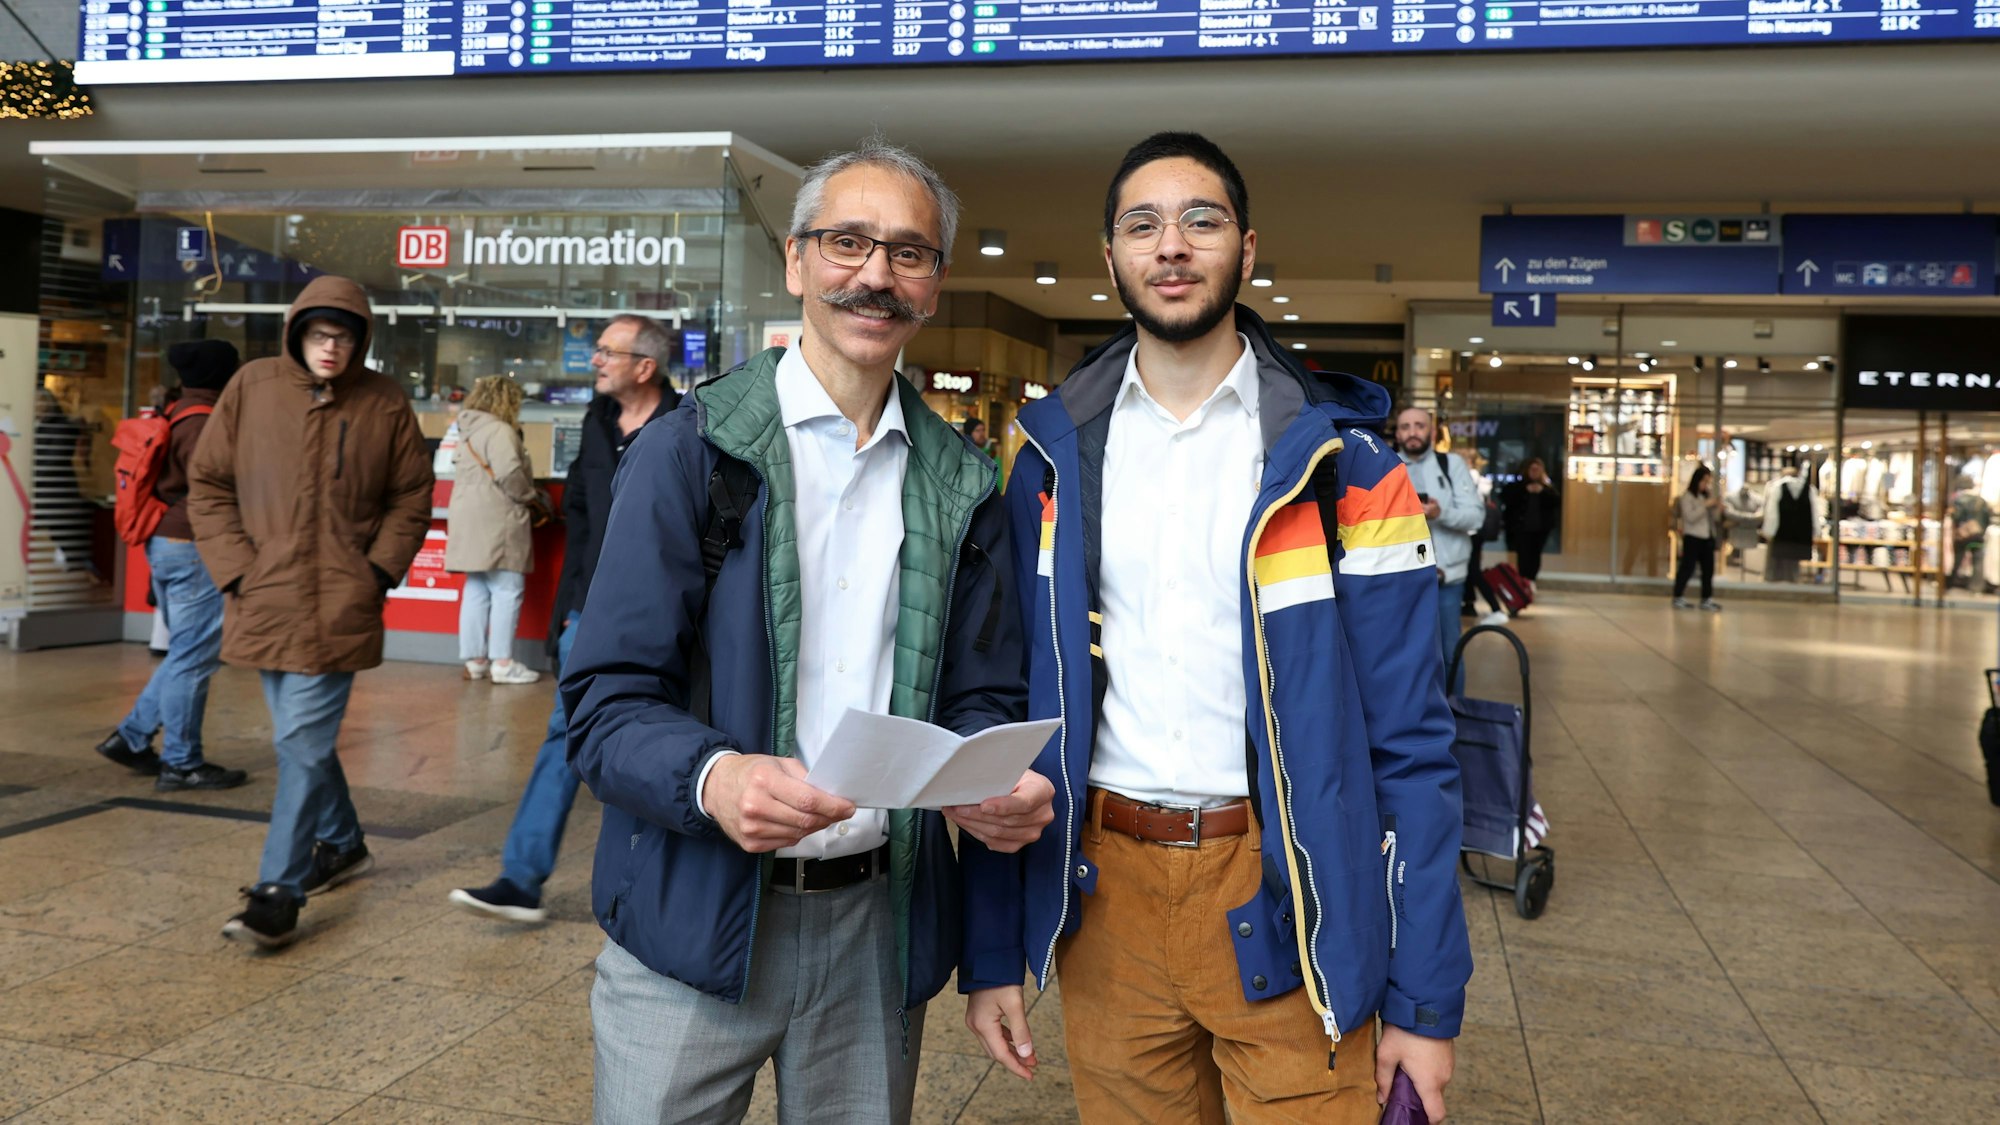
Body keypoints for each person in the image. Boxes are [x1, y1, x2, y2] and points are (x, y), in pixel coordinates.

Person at [960, 132, 1470, 1125]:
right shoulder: (1050, 462)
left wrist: (1424, 1002)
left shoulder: (1344, 469)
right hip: (1103, 894)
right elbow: (1009, 713)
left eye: (1201, 220)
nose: (1171, 246)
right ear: (1109, 258)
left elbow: (1413, 747)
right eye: (1140, 224)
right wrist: (993, 951)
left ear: (1245, 247)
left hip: (1288, 890)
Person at [562, 140, 1050, 1123]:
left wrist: (982, 782)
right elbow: (603, 704)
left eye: (907, 252)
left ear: (934, 283)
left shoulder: (962, 484)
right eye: (846, 242)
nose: (874, 274)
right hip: (690, 918)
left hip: (879, 929)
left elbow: (981, 695)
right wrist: (715, 777)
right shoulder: (688, 454)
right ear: (795, 263)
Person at [188, 276, 434, 949]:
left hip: (338, 601)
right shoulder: (252, 387)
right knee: (302, 742)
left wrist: (376, 569)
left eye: (347, 336)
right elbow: (207, 483)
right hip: (264, 594)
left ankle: (279, 890)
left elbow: (413, 493)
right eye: (322, 334)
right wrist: (236, 567)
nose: (334, 347)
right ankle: (345, 841)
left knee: (299, 741)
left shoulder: (383, 400)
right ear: (297, 331)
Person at [448, 313, 679, 923]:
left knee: (649, 751)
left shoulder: (687, 427)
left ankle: (647, 893)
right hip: (590, 613)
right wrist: (565, 615)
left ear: (645, 367)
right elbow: (579, 519)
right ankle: (521, 878)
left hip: (664, 621)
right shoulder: (596, 423)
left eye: (607, 352)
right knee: (565, 736)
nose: (595, 360)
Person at [93, 340, 249, 790]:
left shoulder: (180, 411)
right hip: (192, 545)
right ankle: (182, 762)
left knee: (186, 651)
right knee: (195, 657)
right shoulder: (203, 422)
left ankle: (133, 737)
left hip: (171, 541)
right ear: (224, 374)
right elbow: (212, 494)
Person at [446, 375, 541, 685]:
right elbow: (510, 472)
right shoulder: (499, 430)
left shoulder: (467, 430)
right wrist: (530, 497)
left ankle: (475, 661)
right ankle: (503, 663)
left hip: (468, 520)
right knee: (507, 589)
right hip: (498, 520)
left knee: (476, 590)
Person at [1395, 406, 1484, 693]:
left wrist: (1439, 513)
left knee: (1448, 653)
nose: (1412, 432)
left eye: (1419, 425)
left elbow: (1476, 517)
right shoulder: (1387, 468)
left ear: (1431, 432)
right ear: (1397, 433)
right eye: (1405, 426)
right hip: (1400, 579)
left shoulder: (1453, 465)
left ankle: (1455, 719)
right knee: (1403, 656)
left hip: (1446, 578)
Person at [1458, 448, 1508, 627]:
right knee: (1471, 570)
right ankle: (1469, 604)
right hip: (1475, 531)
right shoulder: (1481, 479)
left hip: (1470, 531)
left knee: (1473, 571)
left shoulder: (1468, 477)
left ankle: (1496, 609)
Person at [1499, 456, 1559, 587]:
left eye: (1537, 470)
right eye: (1532, 469)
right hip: (1522, 527)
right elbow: (1506, 497)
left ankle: (1531, 579)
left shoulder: (1547, 489)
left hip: (1540, 528)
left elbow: (1555, 502)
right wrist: (1524, 490)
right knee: (1523, 554)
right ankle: (1523, 579)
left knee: (1535, 555)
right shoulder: (1518, 486)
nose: (1534, 472)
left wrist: (1542, 492)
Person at [1672, 463, 1723, 611]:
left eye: (1708, 482)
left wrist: (1716, 507)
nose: (1705, 485)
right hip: (1693, 537)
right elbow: (1690, 517)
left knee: (1708, 570)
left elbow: (1714, 518)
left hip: (1707, 537)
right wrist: (1705, 505)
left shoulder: (1705, 496)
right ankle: (1678, 595)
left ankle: (1706, 598)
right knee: (1687, 568)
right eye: (1703, 481)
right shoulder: (1687, 497)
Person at [1949, 478, 1991, 591]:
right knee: (1978, 560)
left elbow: (1956, 517)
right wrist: (1981, 530)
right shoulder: (1981, 501)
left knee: (1958, 559)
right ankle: (1976, 587)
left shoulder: (1959, 500)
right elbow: (1987, 519)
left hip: (1963, 535)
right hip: (1977, 535)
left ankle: (1951, 583)